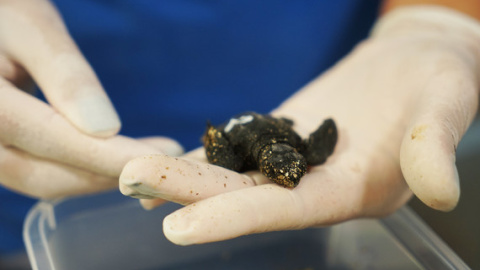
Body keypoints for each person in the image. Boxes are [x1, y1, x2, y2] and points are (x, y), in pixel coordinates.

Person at [0, 0, 479, 261]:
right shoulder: (239, 154)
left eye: (293, 167)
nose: (294, 171)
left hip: (326, 82)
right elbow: (227, 143)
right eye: (288, 168)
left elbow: (315, 141)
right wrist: (218, 140)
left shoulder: (298, 150)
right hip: (28, 203)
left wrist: (439, 19)